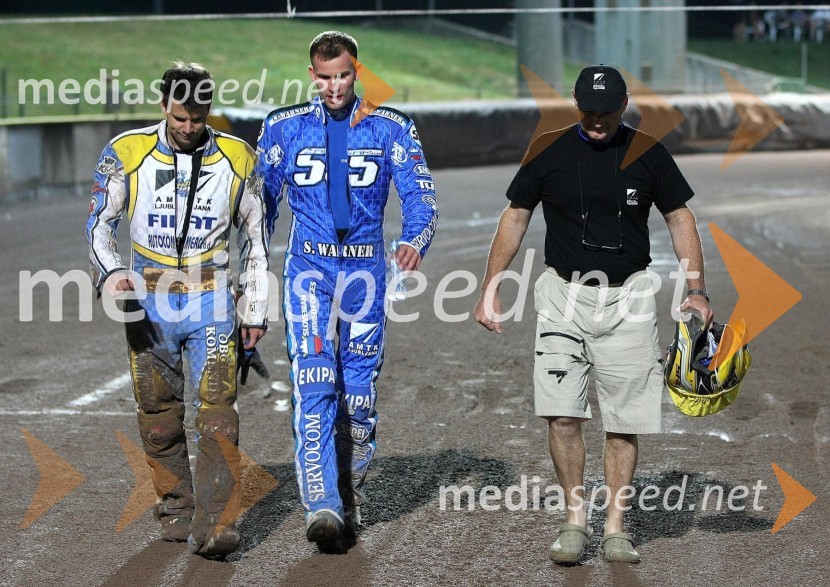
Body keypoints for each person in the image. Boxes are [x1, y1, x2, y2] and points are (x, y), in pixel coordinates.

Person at [473, 65, 712, 564]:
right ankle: (575, 521)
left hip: (630, 298)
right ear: (577, 106)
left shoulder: (650, 152)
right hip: (563, 295)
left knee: (624, 421)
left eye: (606, 112)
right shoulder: (548, 149)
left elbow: (679, 216)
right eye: (588, 111)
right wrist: (490, 286)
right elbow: (516, 215)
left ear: (624, 106)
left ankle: (617, 527)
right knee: (561, 415)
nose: (597, 121)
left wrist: (696, 288)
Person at [256, 30, 437, 552]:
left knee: (357, 396)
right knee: (314, 383)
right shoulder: (281, 128)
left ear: (357, 71)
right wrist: (250, 272)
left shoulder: (392, 127)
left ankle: (348, 491)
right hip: (308, 271)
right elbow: (260, 209)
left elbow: (422, 199)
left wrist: (413, 241)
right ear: (311, 75)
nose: (334, 87)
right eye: (324, 78)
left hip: (364, 273)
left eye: (343, 76)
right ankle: (323, 506)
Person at [85, 62, 269, 558]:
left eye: (199, 117)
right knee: (160, 418)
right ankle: (177, 509)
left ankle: (215, 522)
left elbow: (256, 241)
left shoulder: (240, 158)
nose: (189, 127)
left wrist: (254, 309)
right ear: (163, 103)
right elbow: (99, 226)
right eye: (181, 116)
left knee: (219, 415)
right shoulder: (125, 152)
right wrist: (113, 274)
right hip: (148, 300)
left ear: (210, 108)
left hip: (212, 298)